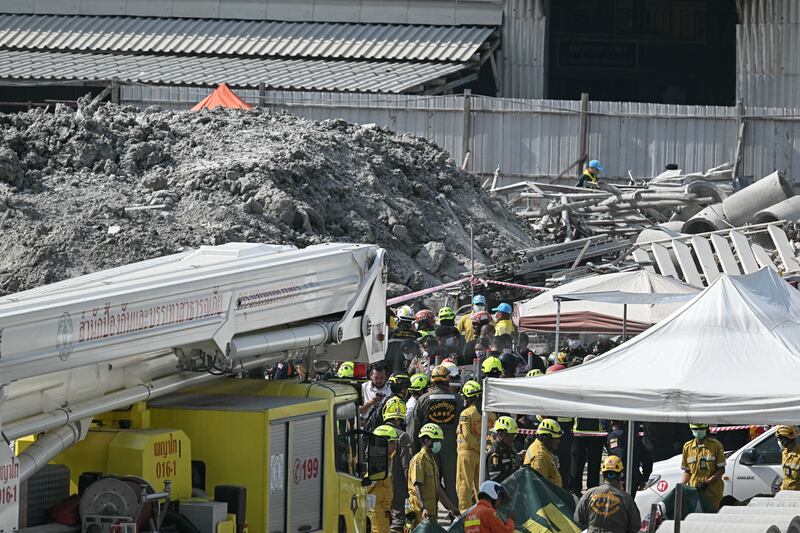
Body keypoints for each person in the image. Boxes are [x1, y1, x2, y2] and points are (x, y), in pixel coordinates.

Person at [411, 365, 462, 507]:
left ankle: (431, 517)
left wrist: (415, 450)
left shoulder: (423, 399)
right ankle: (454, 516)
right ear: (447, 380)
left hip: (429, 447)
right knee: (451, 483)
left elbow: (415, 427)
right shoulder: (457, 400)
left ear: (432, 381)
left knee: (430, 482)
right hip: (451, 449)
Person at [407, 423, 460, 528]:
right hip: (420, 514)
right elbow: (417, 486)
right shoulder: (419, 460)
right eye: (436, 440)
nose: (439, 443)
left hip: (431, 513)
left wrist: (452, 508)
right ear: (427, 441)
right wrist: (423, 508)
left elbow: (438, 489)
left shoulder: (431, 460)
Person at [574, 456, 641, 533]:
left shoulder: (589, 494)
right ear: (620, 475)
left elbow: (578, 519)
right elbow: (635, 525)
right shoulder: (626, 498)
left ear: (603, 474)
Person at [456, 380, 493, 511]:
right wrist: (484, 450)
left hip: (466, 453)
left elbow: (466, 434)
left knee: (463, 485)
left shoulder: (466, 414)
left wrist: (478, 447)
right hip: (483, 454)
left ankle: (464, 514)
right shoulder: (490, 413)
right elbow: (492, 433)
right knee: (481, 487)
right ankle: (483, 512)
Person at [381, 397, 414, 532]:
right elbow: (409, 469)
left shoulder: (376, 433)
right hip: (398, 496)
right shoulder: (403, 436)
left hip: (380, 496)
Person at [681, 423, 725, 511]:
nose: (698, 432)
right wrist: (681, 486)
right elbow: (687, 471)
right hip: (694, 491)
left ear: (706, 429)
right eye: (696, 429)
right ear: (692, 430)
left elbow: (721, 469)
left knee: (712, 518)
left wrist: (707, 482)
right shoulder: (687, 447)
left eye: (701, 429)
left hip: (712, 492)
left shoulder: (715, 445)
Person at [606, 420, 652, 497]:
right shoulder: (633, 436)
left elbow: (619, 456)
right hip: (633, 478)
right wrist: (644, 478)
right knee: (629, 504)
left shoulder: (614, 436)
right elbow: (647, 458)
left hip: (618, 478)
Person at [369, 424, 399, 533]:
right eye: (392, 442)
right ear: (384, 443)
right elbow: (366, 486)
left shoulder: (386, 460)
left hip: (383, 511)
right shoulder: (377, 463)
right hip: (377, 512)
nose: (395, 445)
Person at [570, 417, 607, 495]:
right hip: (582, 432)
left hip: (593, 433)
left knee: (591, 464)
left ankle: (587, 490)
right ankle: (578, 490)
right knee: (581, 464)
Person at [524, 418, 563, 487]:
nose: (558, 442)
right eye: (556, 439)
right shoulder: (540, 457)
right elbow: (540, 488)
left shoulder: (543, 448)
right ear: (545, 438)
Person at [486, 416, 521, 483]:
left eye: (515, 435)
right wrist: (515, 473)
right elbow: (495, 479)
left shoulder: (508, 448)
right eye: (511, 435)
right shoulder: (495, 453)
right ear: (501, 433)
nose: (513, 439)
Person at [776, 425, 800, 491]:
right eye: (778, 438)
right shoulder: (784, 453)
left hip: (796, 497)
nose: (779, 441)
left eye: (780, 438)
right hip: (785, 494)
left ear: (789, 438)